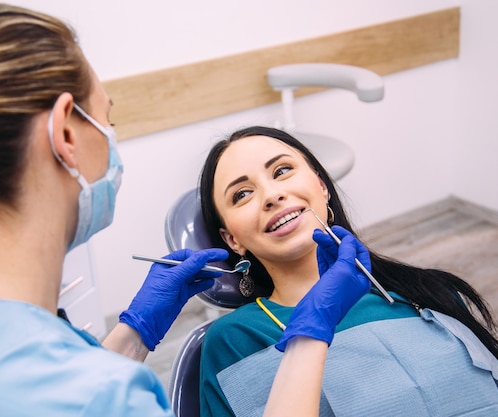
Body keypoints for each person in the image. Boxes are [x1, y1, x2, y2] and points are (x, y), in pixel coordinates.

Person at [0, 5, 373, 417]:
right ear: (66, 132)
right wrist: (309, 335)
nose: (270, 194)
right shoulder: (107, 395)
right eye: (107, 118)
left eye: (283, 170)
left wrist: (134, 332)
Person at [198, 126, 498, 417]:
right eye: (242, 194)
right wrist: (311, 328)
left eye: (281, 171)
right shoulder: (236, 339)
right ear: (232, 240)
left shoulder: (433, 292)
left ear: (321, 186)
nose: (271, 196)